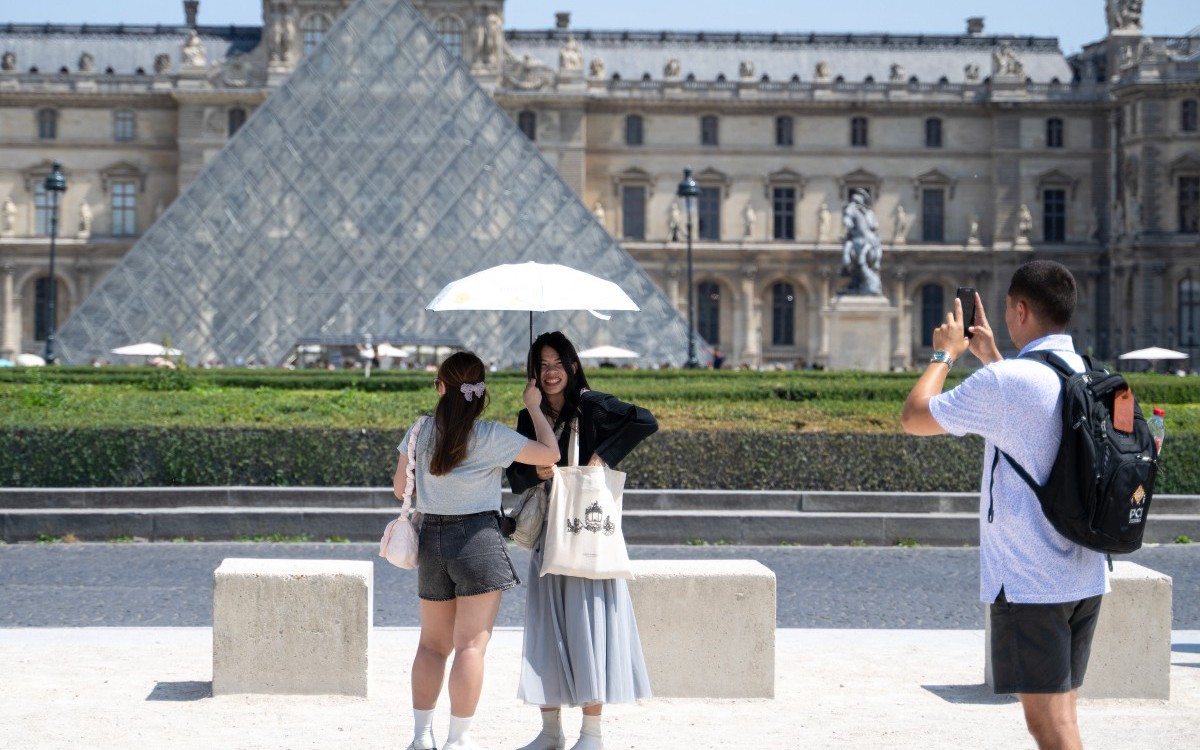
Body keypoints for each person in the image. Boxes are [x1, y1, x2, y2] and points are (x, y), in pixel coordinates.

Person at [900, 260, 1108, 750]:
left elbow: (914, 416)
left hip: (1030, 581)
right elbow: (1037, 419)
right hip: (1085, 573)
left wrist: (943, 355)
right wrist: (993, 356)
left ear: (1019, 309)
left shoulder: (1007, 384)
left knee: (1048, 728)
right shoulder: (1088, 371)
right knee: (1064, 717)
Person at [394, 352, 560, 750]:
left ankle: (421, 737)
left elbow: (401, 488)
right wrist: (534, 408)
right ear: (481, 393)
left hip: (432, 541)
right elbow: (550, 454)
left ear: (440, 387)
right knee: (471, 646)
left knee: (432, 646)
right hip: (479, 540)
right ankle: (459, 739)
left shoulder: (420, 431)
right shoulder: (490, 436)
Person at [507, 331, 658, 750]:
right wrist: (534, 469)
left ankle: (592, 734)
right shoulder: (528, 416)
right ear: (533, 374)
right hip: (549, 537)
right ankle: (550, 731)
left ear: (573, 366)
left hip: (587, 537)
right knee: (546, 629)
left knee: (589, 629)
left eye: (558, 364)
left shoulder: (592, 406)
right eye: (543, 365)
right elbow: (515, 476)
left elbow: (646, 420)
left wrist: (602, 455)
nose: (551, 372)